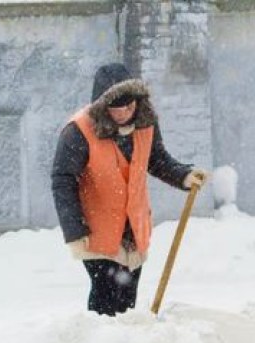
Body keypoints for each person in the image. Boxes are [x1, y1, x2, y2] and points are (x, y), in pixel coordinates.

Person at [51, 63, 209, 316]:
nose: (125, 112)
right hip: (97, 230)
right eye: (117, 107)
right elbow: (62, 180)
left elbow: (156, 159)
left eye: (130, 104)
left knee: (127, 300)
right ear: (103, 106)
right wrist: (74, 229)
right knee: (106, 298)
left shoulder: (145, 122)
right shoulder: (78, 132)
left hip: (133, 229)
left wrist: (183, 176)